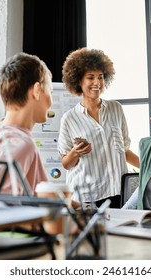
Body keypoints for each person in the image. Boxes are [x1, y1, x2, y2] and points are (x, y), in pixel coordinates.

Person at [58, 48, 139, 209]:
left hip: (118, 192)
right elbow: (66, 163)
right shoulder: (69, 118)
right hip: (87, 196)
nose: (97, 83)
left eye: (100, 77)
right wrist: (76, 151)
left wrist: (148, 167)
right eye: (90, 78)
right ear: (78, 81)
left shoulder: (116, 109)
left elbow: (124, 150)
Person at [0, 52, 52, 195]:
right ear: (37, 91)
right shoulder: (19, 143)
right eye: (50, 90)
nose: (51, 100)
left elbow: (40, 194)